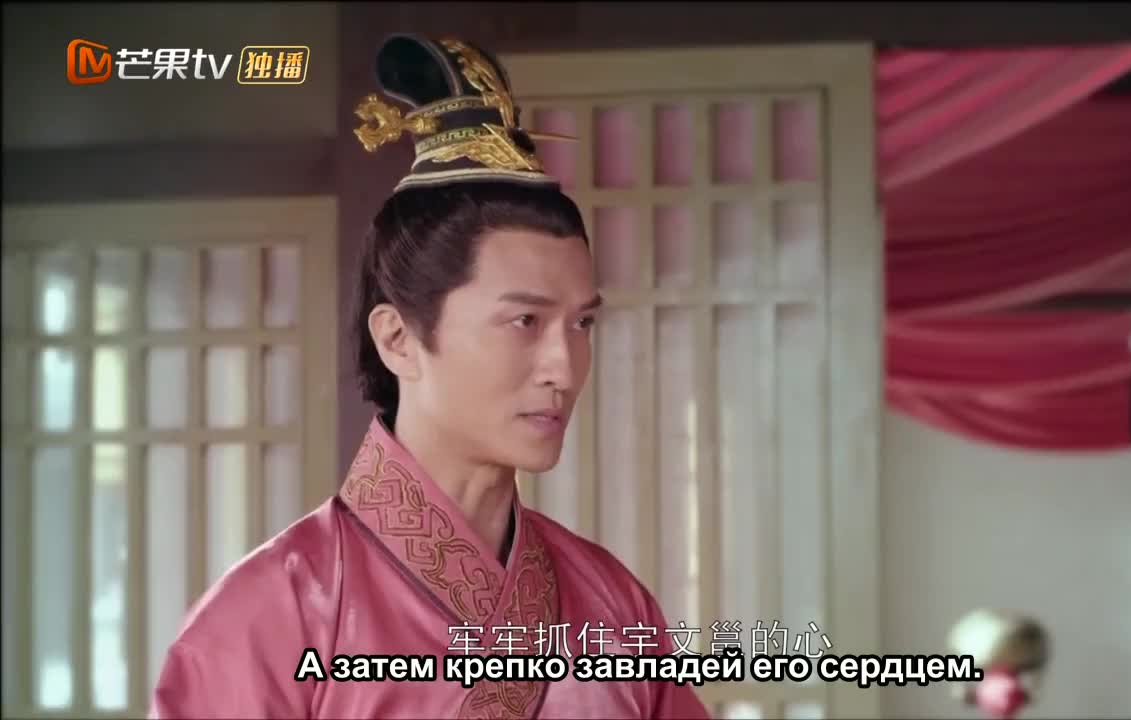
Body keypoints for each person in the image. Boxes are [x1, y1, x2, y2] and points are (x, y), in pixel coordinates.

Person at [149, 34, 711, 719]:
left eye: (581, 323)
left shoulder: (615, 607)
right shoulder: (270, 614)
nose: (564, 367)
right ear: (398, 340)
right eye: (524, 321)